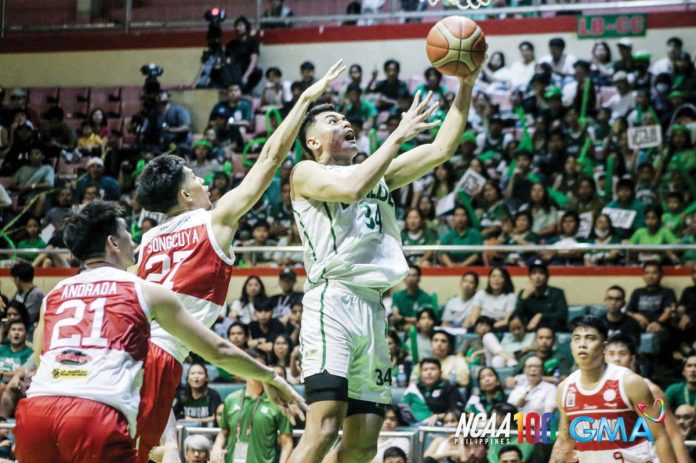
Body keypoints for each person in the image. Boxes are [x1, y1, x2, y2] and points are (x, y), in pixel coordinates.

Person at [134, 62, 344, 461]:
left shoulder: (145, 242)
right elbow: (268, 159)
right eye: (196, 178)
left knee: (162, 450)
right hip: (160, 355)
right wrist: (303, 101)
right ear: (184, 196)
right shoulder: (216, 219)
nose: (205, 182)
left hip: (132, 351)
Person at [287, 61, 478, 463]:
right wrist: (397, 134)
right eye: (333, 120)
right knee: (323, 428)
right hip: (331, 302)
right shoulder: (306, 172)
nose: (345, 122)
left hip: (373, 309)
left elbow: (442, 148)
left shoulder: (377, 173)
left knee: (362, 443)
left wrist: (466, 84)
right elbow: (352, 188)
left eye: (345, 117)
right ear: (314, 143)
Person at [14, 201, 303, 463]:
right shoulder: (145, 290)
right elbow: (218, 350)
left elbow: (41, 362)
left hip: (36, 413)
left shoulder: (54, 294)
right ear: (112, 242)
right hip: (94, 413)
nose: (134, 240)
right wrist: (270, 376)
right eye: (128, 232)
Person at [550, 315, 676, 463]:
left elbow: (660, 435)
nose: (582, 344)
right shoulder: (564, 388)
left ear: (604, 347)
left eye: (590, 338)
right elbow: (564, 440)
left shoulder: (630, 382)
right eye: (577, 338)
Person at [604, 334, 690, 463]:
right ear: (604, 357)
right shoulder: (598, 391)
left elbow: (673, 434)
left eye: (622, 354)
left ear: (632, 359)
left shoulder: (650, 389)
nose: (616, 359)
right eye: (611, 354)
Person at [211, 348, 294, 463]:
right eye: (249, 367)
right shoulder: (231, 399)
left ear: (266, 370)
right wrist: (217, 447)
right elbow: (223, 432)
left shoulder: (278, 402)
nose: (254, 373)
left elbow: (287, 441)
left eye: (258, 368)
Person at [401, 358, 465, 424]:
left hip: (441, 427)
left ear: (440, 372)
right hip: (415, 427)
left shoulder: (449, 388)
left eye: (433, 369)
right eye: (425, 370)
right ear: (420, 373)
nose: (429, 372)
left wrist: (438, 416)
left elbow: (458, 410)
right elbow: (402, 410)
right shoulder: (413, 390)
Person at [513, 260, 568, 332]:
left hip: (551, 330)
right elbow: (516, 317)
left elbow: (562, 314)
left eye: (541, 273)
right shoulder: (524, 293)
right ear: (529, 277)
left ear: (547, 277)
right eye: (534, 273)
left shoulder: (557, 292)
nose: (537, 277)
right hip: (531, 329)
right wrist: (523, 298)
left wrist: (541, 316)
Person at [626, 261, 677, 333]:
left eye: (654, 273)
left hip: (660, 326)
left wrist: (657, 323)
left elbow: (669, 311)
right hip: (639, 325)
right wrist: (636, 316)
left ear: (661, 275)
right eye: (647, 273)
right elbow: (628, 312)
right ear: (643, 276)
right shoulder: (637, 292)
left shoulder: (668, 292)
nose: (650, 276)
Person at [225, 16, 262, 94]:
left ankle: (245, 93)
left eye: (241, 25)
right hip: (234, 71)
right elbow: (226, 61)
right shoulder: (231, 44)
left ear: (246, 27)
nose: (238, 28)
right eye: (236, 26)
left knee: (258, 72)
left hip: (247, 71)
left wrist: (246, 76)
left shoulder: (252, 43)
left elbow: (253, 61)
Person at [391, 264, 434, 330]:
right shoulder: (397, 295)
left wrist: (403, 318)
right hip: (399, 329)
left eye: (414, 275)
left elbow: (424, 319)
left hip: (419, 329)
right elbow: (395, 314)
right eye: (408, 275)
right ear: (403, 278)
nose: (411, 278)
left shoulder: (426, 298)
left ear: (419, 278)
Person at [0, 320, 32, 388]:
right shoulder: (1, 349)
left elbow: (23, 375)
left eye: (20, 330)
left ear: (27, 335)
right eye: (13, 329)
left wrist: (2, 375)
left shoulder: (30, 354)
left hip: (15, 389)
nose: (16, 332)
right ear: (8, 334)